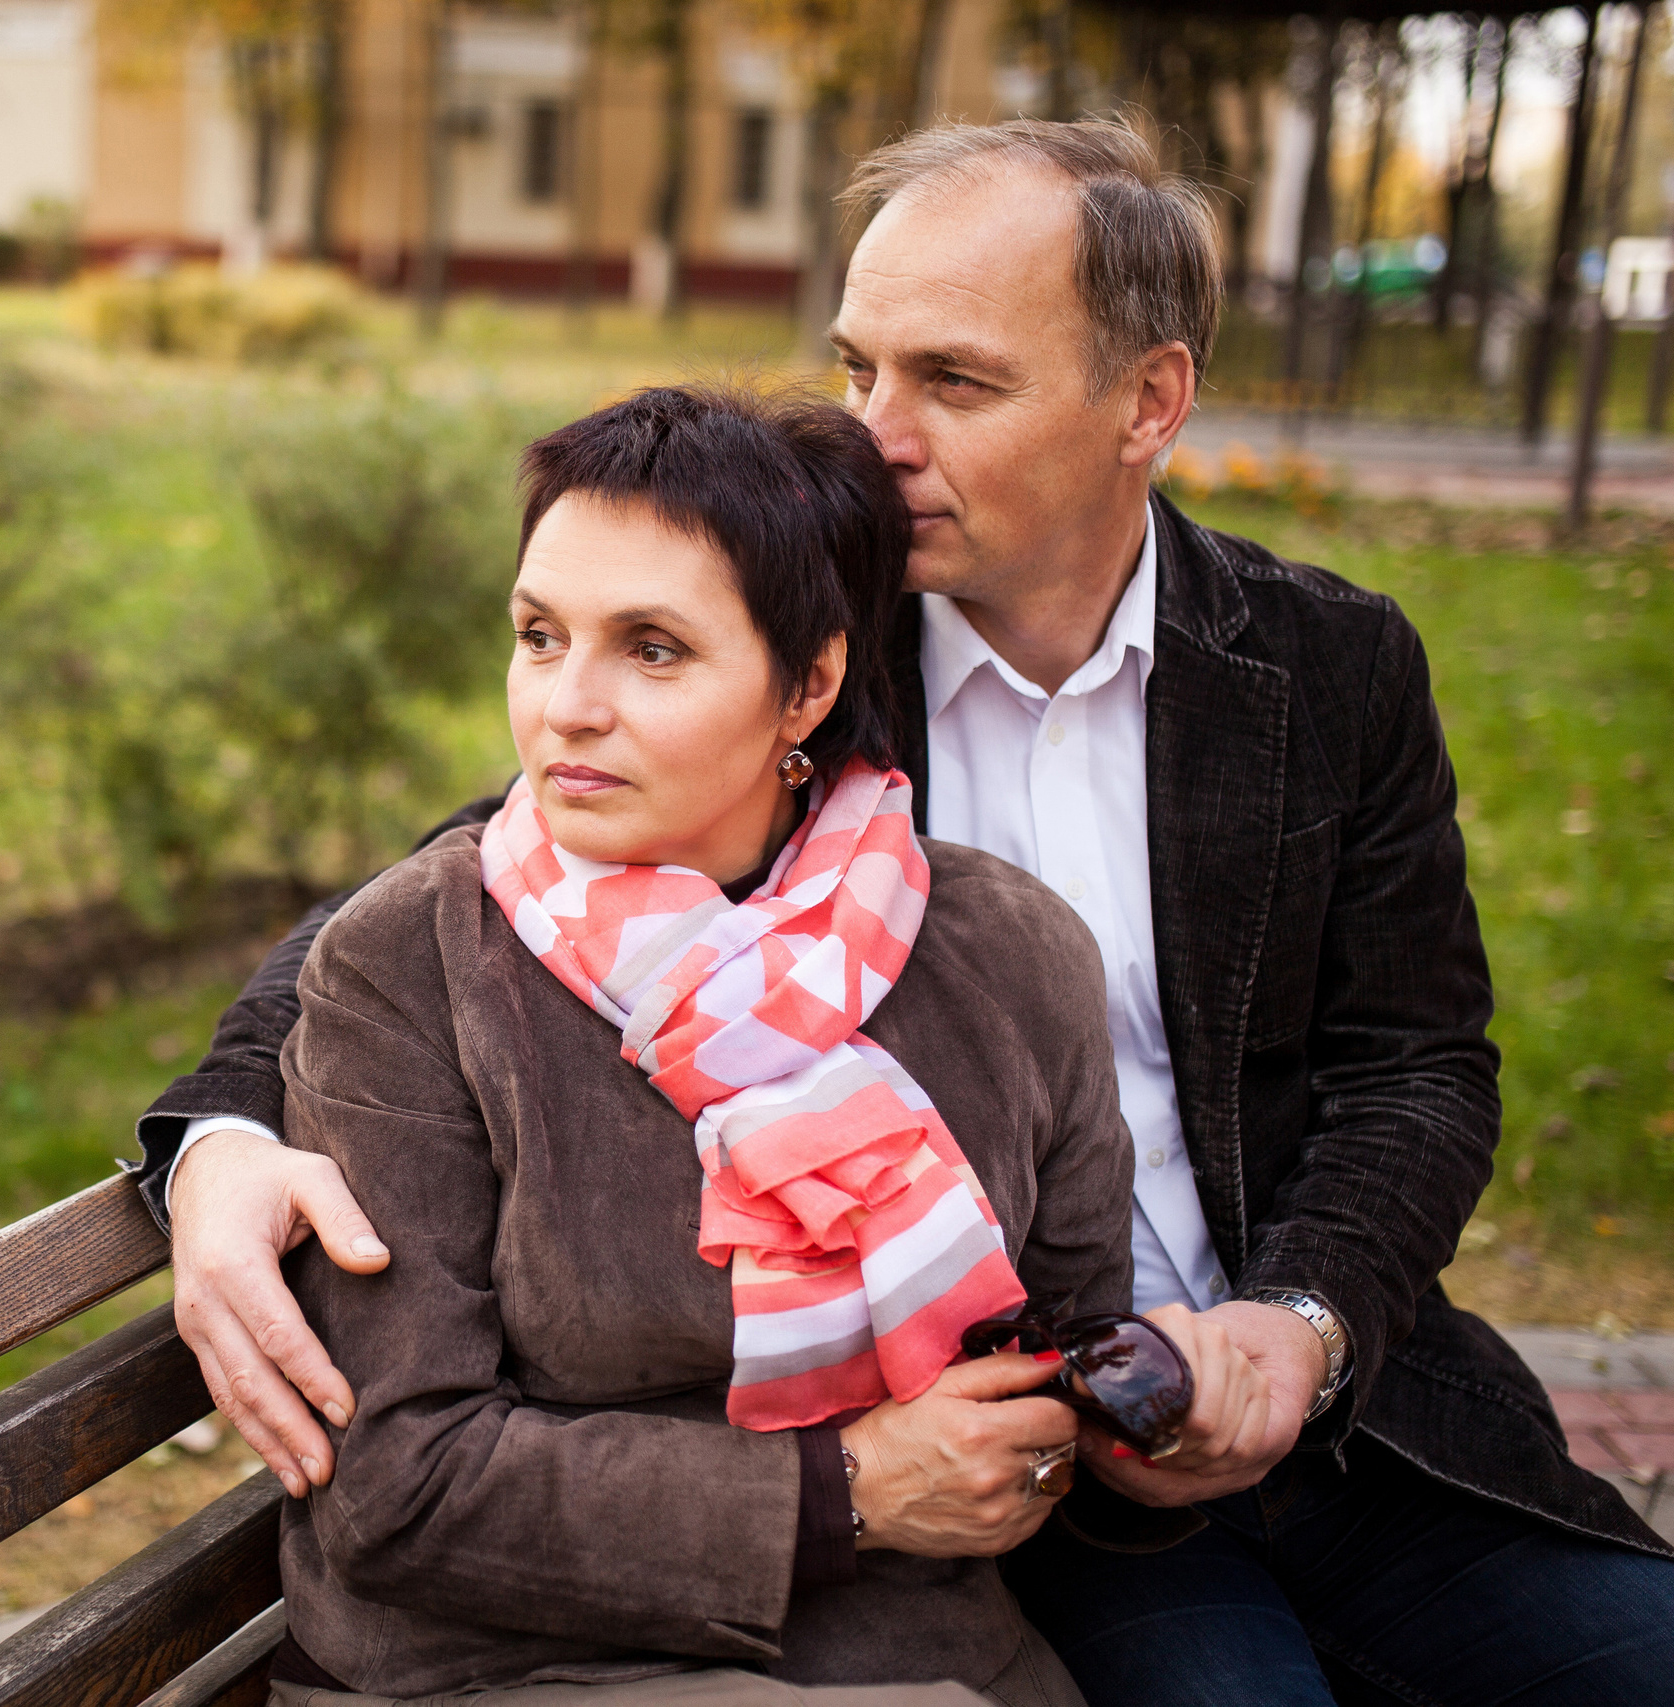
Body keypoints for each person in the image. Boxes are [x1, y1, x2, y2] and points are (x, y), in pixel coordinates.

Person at [134, 119, 1674, 1707]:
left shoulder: (1325, 668)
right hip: (1025, 1482)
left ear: (1149, 401)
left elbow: (1418, 1066)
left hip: (1347, 1417)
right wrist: (222, 1142)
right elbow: (451, 896)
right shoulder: (800, 663)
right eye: (860, 368)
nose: (875, 438)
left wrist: (1300, 1326)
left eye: (954, 380)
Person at [269, 381, 1137, 1706]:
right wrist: (842, 1490)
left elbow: (1066, 1345)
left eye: (652, 650)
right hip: (508, 1666)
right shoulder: (412, 965)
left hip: (922, 1650)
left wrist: (1132, 1400)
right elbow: (399, 1485)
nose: (569, 704)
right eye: (539, 635)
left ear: (810, 684)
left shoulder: (1009, 957)